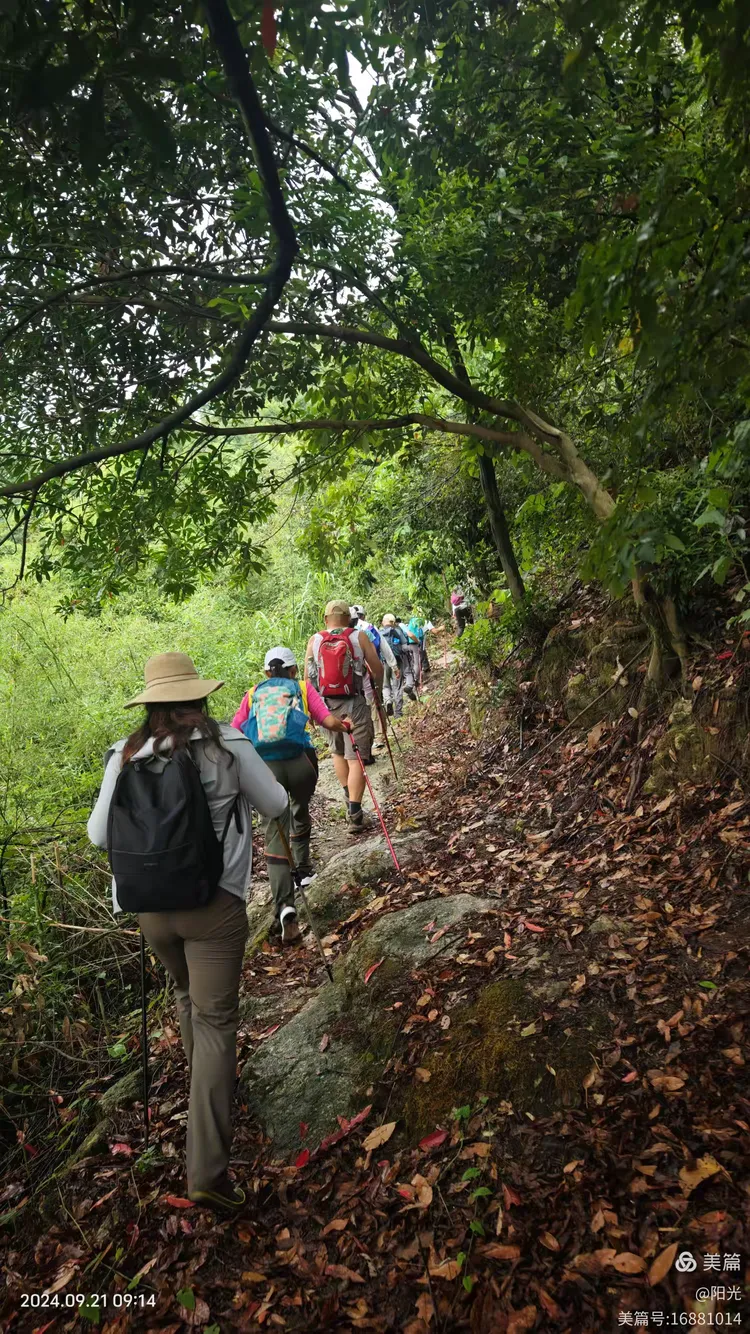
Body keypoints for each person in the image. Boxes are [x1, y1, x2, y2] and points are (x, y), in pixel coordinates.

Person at [87, 652, 288, 1214]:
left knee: (187, 996)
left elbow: (100, 836)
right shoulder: (224, 744)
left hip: (150, 911)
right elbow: (275, 802)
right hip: (214, 906)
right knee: (217, 1020)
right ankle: (207, 1172)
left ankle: (211, 1089)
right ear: (198, 697)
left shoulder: (125, 755)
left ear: (149, 705)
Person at [231, 646, 352, 943]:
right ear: (294, 670)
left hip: (265, 770)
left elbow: (235, 732)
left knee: (274, 828)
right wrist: (346, 726)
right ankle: (304, 868)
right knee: (300, 804)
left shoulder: (252, 694)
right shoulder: (301, 687)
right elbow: (327, 721)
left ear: (266, 673)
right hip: (301, 765)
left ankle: (285, 906)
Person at [305, 600, 383, 832]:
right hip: (354, 704)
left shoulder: (315, 640)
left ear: (326, 618)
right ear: (348, 617)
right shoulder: (358, 637)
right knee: (356, 757)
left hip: (324, 706)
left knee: (337, 752)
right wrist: (376, 689)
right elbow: (377, 668)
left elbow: (308, 678)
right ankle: (356, 813)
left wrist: (312, 708)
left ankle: (349, 801)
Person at [351, 604, 398, 745]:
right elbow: (383, 646)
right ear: (363, 616)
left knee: (361, 704)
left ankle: (366, 737)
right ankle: (380, 734)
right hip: (373, 668)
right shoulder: (369, 628)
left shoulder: (345, 631)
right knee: (376, 701)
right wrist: (394, 665)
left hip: (354, 674)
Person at [379, 613, 409, 717]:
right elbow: (405, 647)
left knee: (386, 685)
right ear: (393, 622)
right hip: (397, 661)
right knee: (398, 686)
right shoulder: (397, 631)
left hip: (383, 662)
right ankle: (398, 713)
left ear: (384, 622)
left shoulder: (379, 633)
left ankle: (388, 701)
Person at [397, 616, 421, 700]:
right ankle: (414, 681)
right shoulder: (401, 625)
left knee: (399, 676)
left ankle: (398, 700)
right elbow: (410, 634)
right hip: (405, 649)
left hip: (394, 654)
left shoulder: (388, 629)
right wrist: (418, 641)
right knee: (413, 665)